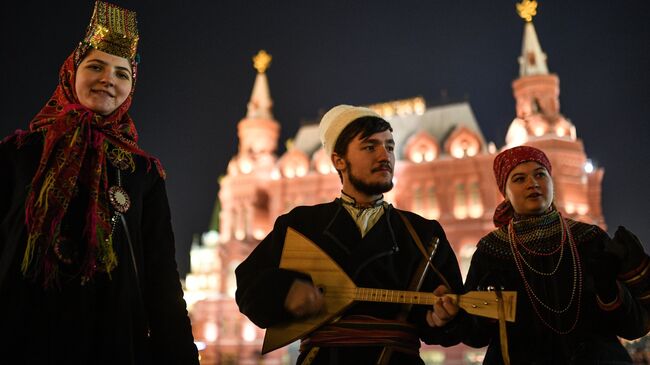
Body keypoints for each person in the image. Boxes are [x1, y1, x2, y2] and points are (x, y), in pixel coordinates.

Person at [0, 2, 198, 364]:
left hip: (112, 338)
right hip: (21, 333)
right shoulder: (19, 155)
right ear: (71, 73)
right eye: (96, 66)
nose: (109, 79)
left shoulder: (143, 174)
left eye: (122, 74)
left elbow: (161, 280)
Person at [235, 104, 464, 365]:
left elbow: (455, 320)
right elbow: (248, 285)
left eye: (389, 147)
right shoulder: (301, 224)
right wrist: (285, 292)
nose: (384, 156)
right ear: (338, 160)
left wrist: (442, 319)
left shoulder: (424, 233)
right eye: (370, 147)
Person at [462, 145, 650, 364]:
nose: (532, 183)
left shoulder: (589, 239)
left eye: (540, 174)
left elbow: (634, 325)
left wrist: (609, 292)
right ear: (505, 193)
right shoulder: (492, 251)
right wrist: (487, 310)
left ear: (552, 182)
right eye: (519, 179)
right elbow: (473, 335)